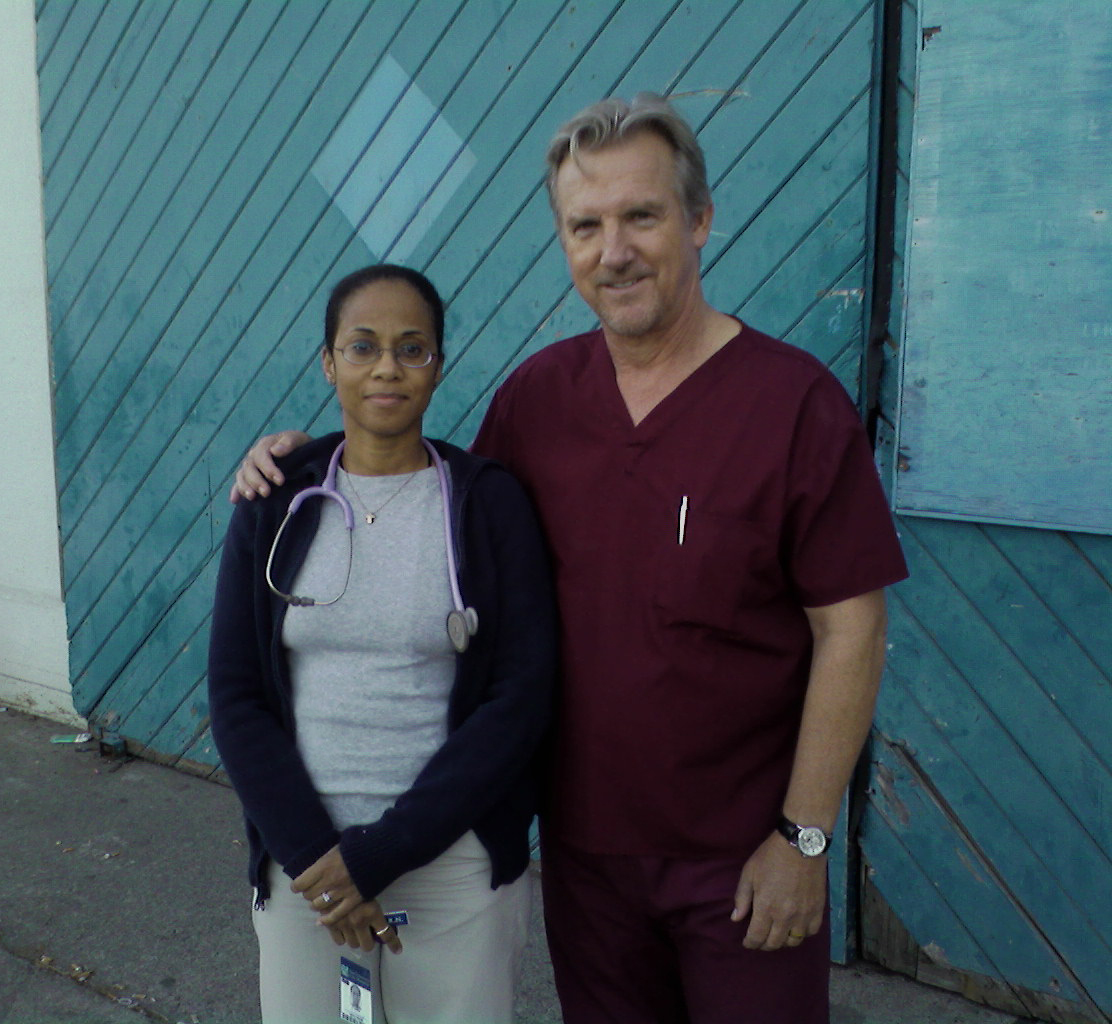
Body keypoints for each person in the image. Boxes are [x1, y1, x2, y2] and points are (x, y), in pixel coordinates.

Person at [231, 95, 909, 1024]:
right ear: (563, 242)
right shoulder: (538, 402)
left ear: (700, 219)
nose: (613, 250)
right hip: (585, 860)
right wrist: (296, 464)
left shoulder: (795, 406)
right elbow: (418, 488)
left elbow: (853, 630)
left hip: (744, 862)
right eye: (585, 226)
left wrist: (804, 837)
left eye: (642, 216)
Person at [209, 263, 556, 1024]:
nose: (387, 368)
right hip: (305, 867)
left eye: (412, 348)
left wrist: (378, 856)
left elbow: (520, 699)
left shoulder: (487, 503)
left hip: (452, 866)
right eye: (362, 347)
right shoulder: (277, 500)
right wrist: (315, 861)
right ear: (329, 362)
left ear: (439, 364)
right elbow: (235, 695)